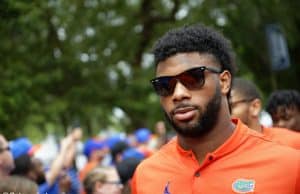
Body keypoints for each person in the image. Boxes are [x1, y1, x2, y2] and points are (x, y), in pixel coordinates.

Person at [131, 24, 300, 193]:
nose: (178, 94)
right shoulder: (146, 175)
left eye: (193, 78)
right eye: (165, 85)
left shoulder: (289, 166)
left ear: (224, 82)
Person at [230, 77, 300, 149]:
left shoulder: (293, 142)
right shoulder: (224, 150)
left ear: (255, 106)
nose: (280, 124)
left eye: (230, 106)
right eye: (275, 120)